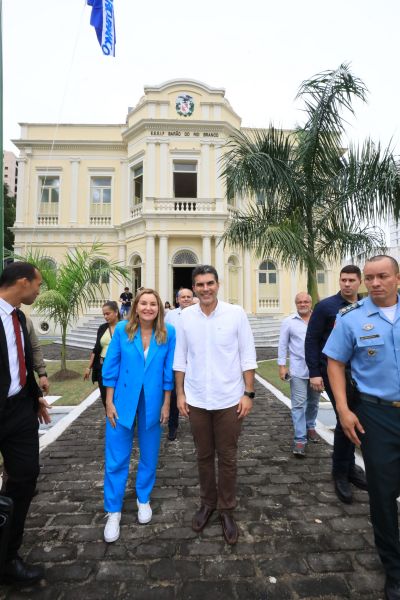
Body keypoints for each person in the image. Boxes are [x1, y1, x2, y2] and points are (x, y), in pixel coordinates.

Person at [323, 255, 400, 600]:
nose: (375, 282)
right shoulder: (351, 320)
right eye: (370, 277)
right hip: (376, 414)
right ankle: (394, 570)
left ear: (397, 277)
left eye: (383, 276)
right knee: (382, 494)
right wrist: (342, 409)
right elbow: (335, 362)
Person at [174, 265, 257, 545]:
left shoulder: (235, 314)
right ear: (194, 288)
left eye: (210, 283)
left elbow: (247, 354)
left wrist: (249, 394)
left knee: (228, 456)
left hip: (230, 399)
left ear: (218, 285)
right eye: (200, 284)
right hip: (197, 399)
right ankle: (208, 503)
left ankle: (226, 509)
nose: (205, 288)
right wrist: (180, 395)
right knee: (203, 455)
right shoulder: (185, 317)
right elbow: (181, 358)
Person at [101, 288, 176, 543]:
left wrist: (167, 404)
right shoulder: (122, 330)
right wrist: (109, 402)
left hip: (153, 402)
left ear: (159, 309)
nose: (148, 308)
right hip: (122, 401)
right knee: (116, 458)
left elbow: (168, 372)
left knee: (150, 455)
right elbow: (110, 367)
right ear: (135, 307)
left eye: (153, 304)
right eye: (143, 303)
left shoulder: (168, 333)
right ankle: (113, 510)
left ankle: (143, 498)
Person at [0, 262, 51, 584]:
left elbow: (20, 361)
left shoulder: (18, 317)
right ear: (22, 282)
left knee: (24, 478)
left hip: (19, 411)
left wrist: (34, 398)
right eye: (37, 284)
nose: (38, 290)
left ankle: (8, 556)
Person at [304, 265, 367, 503]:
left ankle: (349, 467)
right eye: (343, 280)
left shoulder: (365, 307)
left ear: (359, 282)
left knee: (355, 419)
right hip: (331, 371)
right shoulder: (326, 307)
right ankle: (341, 473)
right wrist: (314, 373)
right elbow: (311, 340)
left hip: (359, 372)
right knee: (344, 419)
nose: (347, 284)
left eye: (352, 280)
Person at [278, 292, 320, 457]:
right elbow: (282, 344)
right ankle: (300, 439)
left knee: (314, 403)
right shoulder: (288, 322)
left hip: (316, 370)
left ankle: (310, 427)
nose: (303, 304)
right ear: (296, 304)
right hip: (297, 369)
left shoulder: (318, 320)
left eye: (305, 302)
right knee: (298, 404)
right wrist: (282, 366)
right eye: (299, 302)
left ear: (310, 303)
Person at [165, 288, 194, 441]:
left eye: (189, 297)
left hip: (195, 362)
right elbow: (164, 335)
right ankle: (172, 426)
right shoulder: (170, 315)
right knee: (175, 394)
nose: (186, 299)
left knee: (195, 395)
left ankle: (197, 426)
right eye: (183, 297)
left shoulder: (199, 314)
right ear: (177, 299)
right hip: (175, 361)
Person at [83, 301, 120, 408]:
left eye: (108, 313)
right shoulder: (102, 328)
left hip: (119, 366)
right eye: (104, 314)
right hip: (102, 367)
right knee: (105, 398)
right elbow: (96, 349)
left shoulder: (124, 327)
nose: (105, 316)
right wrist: (88, 367)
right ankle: (110, 421)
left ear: (116, 312)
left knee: (119, 397)